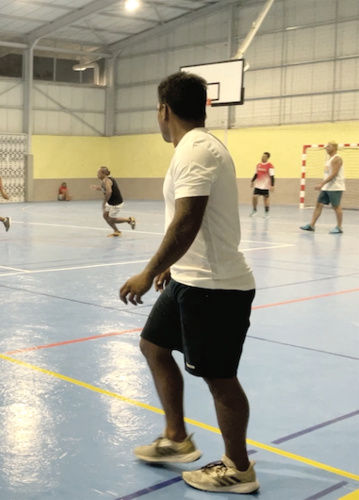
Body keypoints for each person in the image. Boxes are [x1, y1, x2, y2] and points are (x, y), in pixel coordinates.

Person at [119, 72, 259, 494]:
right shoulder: (194, 147)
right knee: (153, 346)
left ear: (164, 110)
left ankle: (238, 468)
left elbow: (187, 220)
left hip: (215, 287)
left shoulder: (196, 150)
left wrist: (148, 272)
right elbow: (191, 224)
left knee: (219, 378)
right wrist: (172, 266)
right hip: (188, 278)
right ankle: (177, 438)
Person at [300, 141, 345, 234]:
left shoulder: (337, 158)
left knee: (336, 206)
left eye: (329, 146)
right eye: (326, 146)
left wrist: (322, 183)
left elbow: (334, 174)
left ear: (334, 148)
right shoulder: (329, 159)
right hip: (327, 187)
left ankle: (339, 227)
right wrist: (323, 184)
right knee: (319, 204)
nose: (326, 148)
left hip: (335, 187)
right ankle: (311, 225)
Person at [91, 167, 136, 237]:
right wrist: (98, 188)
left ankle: (129, 220)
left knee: (111, 219)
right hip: (111, 202)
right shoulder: (105, 180)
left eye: (98, 173)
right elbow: (105, 188)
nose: (97, 174)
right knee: (105, 215)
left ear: (104, 173)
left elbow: (109, 191)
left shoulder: (107, 180)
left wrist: (104, 202)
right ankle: (116, 231)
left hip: (116, 203)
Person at [250, 152, 274, 217]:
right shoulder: (258, 165)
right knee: (254, 197)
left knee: (266, 198)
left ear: (267, 158)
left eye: (264, 156)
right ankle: (254, 210)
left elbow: (272, 176)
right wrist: (252, 181)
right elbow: (256, 174)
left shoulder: (270, 166)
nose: (262, 157)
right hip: (258, 185)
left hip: (265, 185)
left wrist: (272, 185)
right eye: (262, 156)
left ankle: (266, 213)